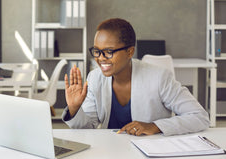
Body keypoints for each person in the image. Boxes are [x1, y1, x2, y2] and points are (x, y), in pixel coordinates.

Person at [61, 18, 210, 136]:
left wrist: (155, 126)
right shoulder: (95, 78)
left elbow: (199, 116)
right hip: (109, 149)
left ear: (130, 52)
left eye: (108, 51)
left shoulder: (159, 77)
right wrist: (74, 109)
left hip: (149, 149)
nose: (100, 58)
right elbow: (88, 127)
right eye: (97, 51)